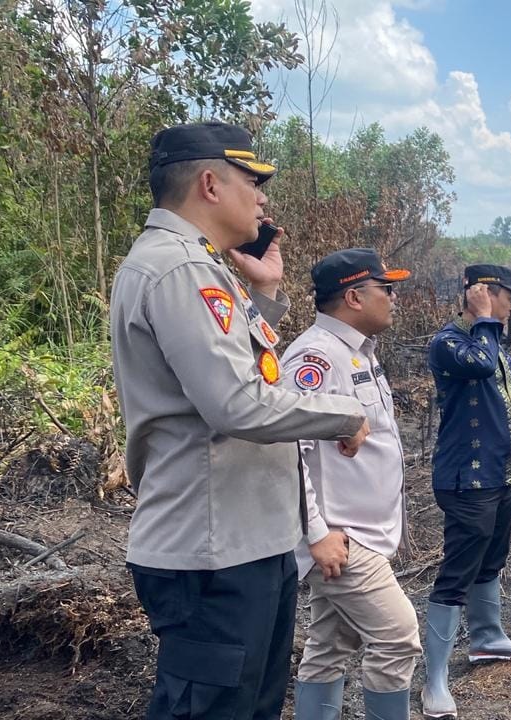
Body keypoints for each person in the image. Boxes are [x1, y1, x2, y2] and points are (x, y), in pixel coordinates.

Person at [110, 122, 371, 720]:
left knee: (249, 707)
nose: (261, 198)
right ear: (209, 183)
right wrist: (343, 414)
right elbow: (237, 403)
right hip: (212, 551)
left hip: (246, 539)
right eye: (251, 182)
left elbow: (242, 372)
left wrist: (267, 296)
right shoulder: (178, 270)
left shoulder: (202, 267)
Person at [283, 249, 420, 720]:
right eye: (387, 289)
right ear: (355, 296)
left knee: (330, 644)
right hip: (343, 537)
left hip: (360, 533)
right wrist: (316, 533)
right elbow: (286, 452)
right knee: (399, 639)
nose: (394, 298)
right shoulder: (316, 357)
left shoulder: (356, 352)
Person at [421, 264, 511, 719]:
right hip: (466, 479)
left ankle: (487, 639)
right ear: (484, 295)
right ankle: (434, 681)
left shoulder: (489, 338)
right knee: (457, 572)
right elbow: (481, 364)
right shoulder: (451, 342)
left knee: (492, 558)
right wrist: (485, 318)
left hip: (501, 474)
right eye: (507, 297)